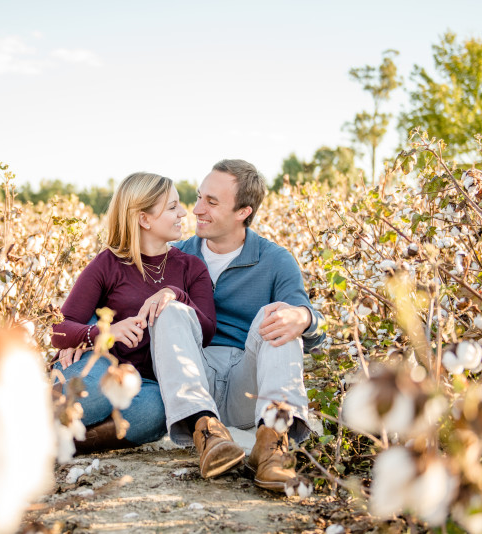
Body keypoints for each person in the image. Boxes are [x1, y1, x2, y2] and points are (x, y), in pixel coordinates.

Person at [151, 159, 325, 490]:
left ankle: (272, 444)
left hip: (249, 386)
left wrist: (303, 317)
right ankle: (207, 434)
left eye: (211, 202)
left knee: (280, 313)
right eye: (199, 196)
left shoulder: (275, 259)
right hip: (193, 381)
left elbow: (317, 328)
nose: (196, 209)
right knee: (169, 309)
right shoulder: (174, 257)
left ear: (243, 211)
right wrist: (82, 336)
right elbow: (120, 304)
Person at [51, 172, 216, 453]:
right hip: (98, 365)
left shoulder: (191, 268)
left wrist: (176, 294)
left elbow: (207, 330)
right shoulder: (108, 264)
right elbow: (59, 329)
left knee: (156, 414)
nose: (183, 212)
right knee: (95, 395)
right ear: (144, 219)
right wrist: (102, 333)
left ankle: (61, 443)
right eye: (173, 207)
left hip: (146, 382)